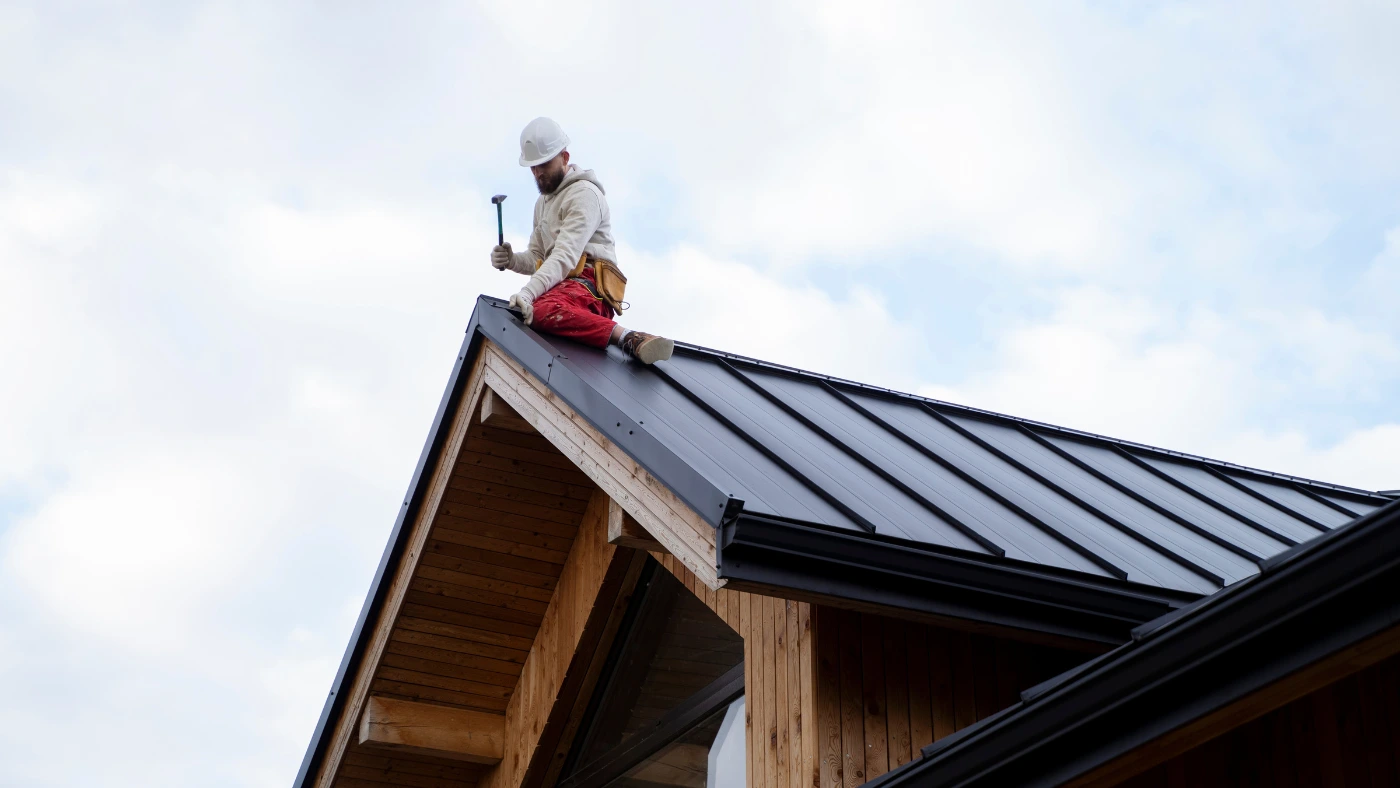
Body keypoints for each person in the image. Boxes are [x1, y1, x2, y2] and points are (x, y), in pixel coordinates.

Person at [490, 117, 675, 364]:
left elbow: (564, 257)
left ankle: (630, 338)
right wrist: (512, 260)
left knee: (540, 310)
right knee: (529, 313)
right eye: (533, 167)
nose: (538, 173)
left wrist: (528, 293)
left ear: (565, 158)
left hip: (589, 285)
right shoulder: (542, 204)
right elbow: (538, 258)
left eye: (544, 164)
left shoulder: (585, 195)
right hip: (562, 285)